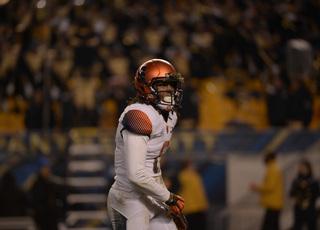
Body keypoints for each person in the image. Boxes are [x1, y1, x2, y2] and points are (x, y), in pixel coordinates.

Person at [107, 59, 187, 230]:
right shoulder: (138, 114)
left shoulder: (170, 115)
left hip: (152, 195)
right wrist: (169, 198)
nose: (170, 90)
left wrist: (163, 197)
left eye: (172, 85)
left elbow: (152, 166)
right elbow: (136, 174)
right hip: (129, 198)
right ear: (146, 87)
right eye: (163, 85)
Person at [29, 157, 66, 230]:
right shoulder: (37, 185)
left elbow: (60, 197)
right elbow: (37, 201)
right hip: (43, 218)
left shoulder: (52, 184)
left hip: (52, 218)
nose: (47, 170)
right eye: (44, 168)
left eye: (47, 168)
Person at [250, 151, 284, 230]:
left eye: (265, 157)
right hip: (274, 203)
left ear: (269, 157)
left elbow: (270, 186)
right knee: (273, 225)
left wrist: (257, 187)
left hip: (273, 203)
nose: (264, 159)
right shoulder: (273, 168)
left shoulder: (273, 169)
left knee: (269, 226)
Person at [177, 160, 209, 230]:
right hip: (193, 207)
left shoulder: (192, 176)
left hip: (194, 207)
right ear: (188, 166)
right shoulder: (187, 176)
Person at [289, 159, 320, 230]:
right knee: (298, 226)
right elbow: (291, 193)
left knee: (312, 226)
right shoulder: (296, 181)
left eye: (303, 167)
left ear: (308, 168)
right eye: (300, 167)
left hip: (310, 209)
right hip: (299, 209)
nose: (301, 169)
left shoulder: (313, 180)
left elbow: (317, 193)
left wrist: (307, 192)